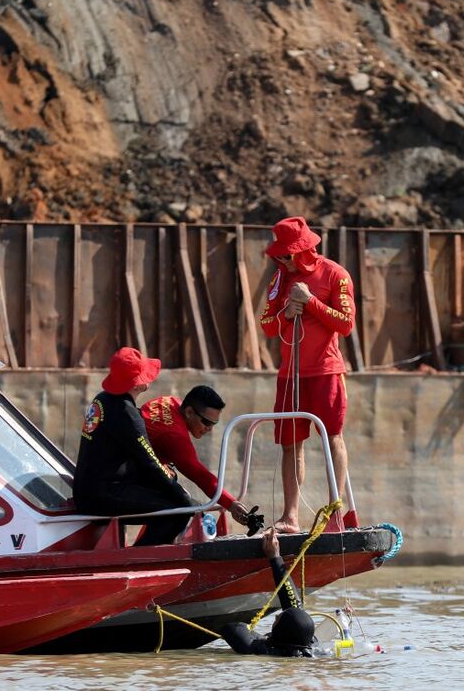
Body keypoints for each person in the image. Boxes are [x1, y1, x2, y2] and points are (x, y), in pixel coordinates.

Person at [258, 217, 356, 534]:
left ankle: (335, 511)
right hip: (290, 375)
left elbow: (346, 324)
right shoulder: (279, 280)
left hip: (326, 371)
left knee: (332, 438)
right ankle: (290, 516)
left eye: (285, 256)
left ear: (302, 252)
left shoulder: (336, 275)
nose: (281, 261)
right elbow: (267, 327)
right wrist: (286, 313)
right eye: (278, 256)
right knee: (290, 445)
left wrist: (310, 302)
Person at [73, 347, 196, 546]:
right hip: (102, 495)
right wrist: (182, 496)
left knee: (173, 499)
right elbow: (149, 461)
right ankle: (135, 561)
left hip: (88, 490)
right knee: (180, 510)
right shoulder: (125, 412)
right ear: (138, 383)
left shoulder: (103, 399)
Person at [141, 385, 253, 527]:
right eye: (206, 422)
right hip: (124, 472)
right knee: (186, 508)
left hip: (126, 458)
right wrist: (231, 503)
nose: (210, 428)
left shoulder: (168, 401)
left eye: (214, 423)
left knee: (174, 486)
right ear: (189, 412)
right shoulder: (176, 437)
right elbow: (201, 477)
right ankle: (147, 548)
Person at [219, 528, 315, 657]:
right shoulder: (309, 644)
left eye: (279, 619)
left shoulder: (260, 650)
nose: (275, 617)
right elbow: (294, 609)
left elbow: (232, 628)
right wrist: (275, 558)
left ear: (282, 632)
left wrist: (266, 640)